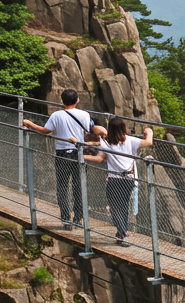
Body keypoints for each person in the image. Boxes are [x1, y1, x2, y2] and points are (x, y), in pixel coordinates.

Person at [21, 89, 93, 229]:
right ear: (77, 100)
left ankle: (66, 219)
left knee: (62, 187)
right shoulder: (85, 114)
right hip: (78, 154)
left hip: (62, 154)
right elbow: (88, 131)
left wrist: (29, 124)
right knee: (79, 186)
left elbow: (45, 131)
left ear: (62, 101)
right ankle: (78, 218)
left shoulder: (56, 115)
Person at [84, 118, 153, 246]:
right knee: (123, 206)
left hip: (114, 179)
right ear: (123, 128)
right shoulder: (131, 140)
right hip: (129, 179)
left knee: (114, 207)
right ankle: (122, 232)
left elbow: (99, 159)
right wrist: (149, 132)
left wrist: (81, 157)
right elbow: (149, 142)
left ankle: (121, 233)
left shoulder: (105, 142)